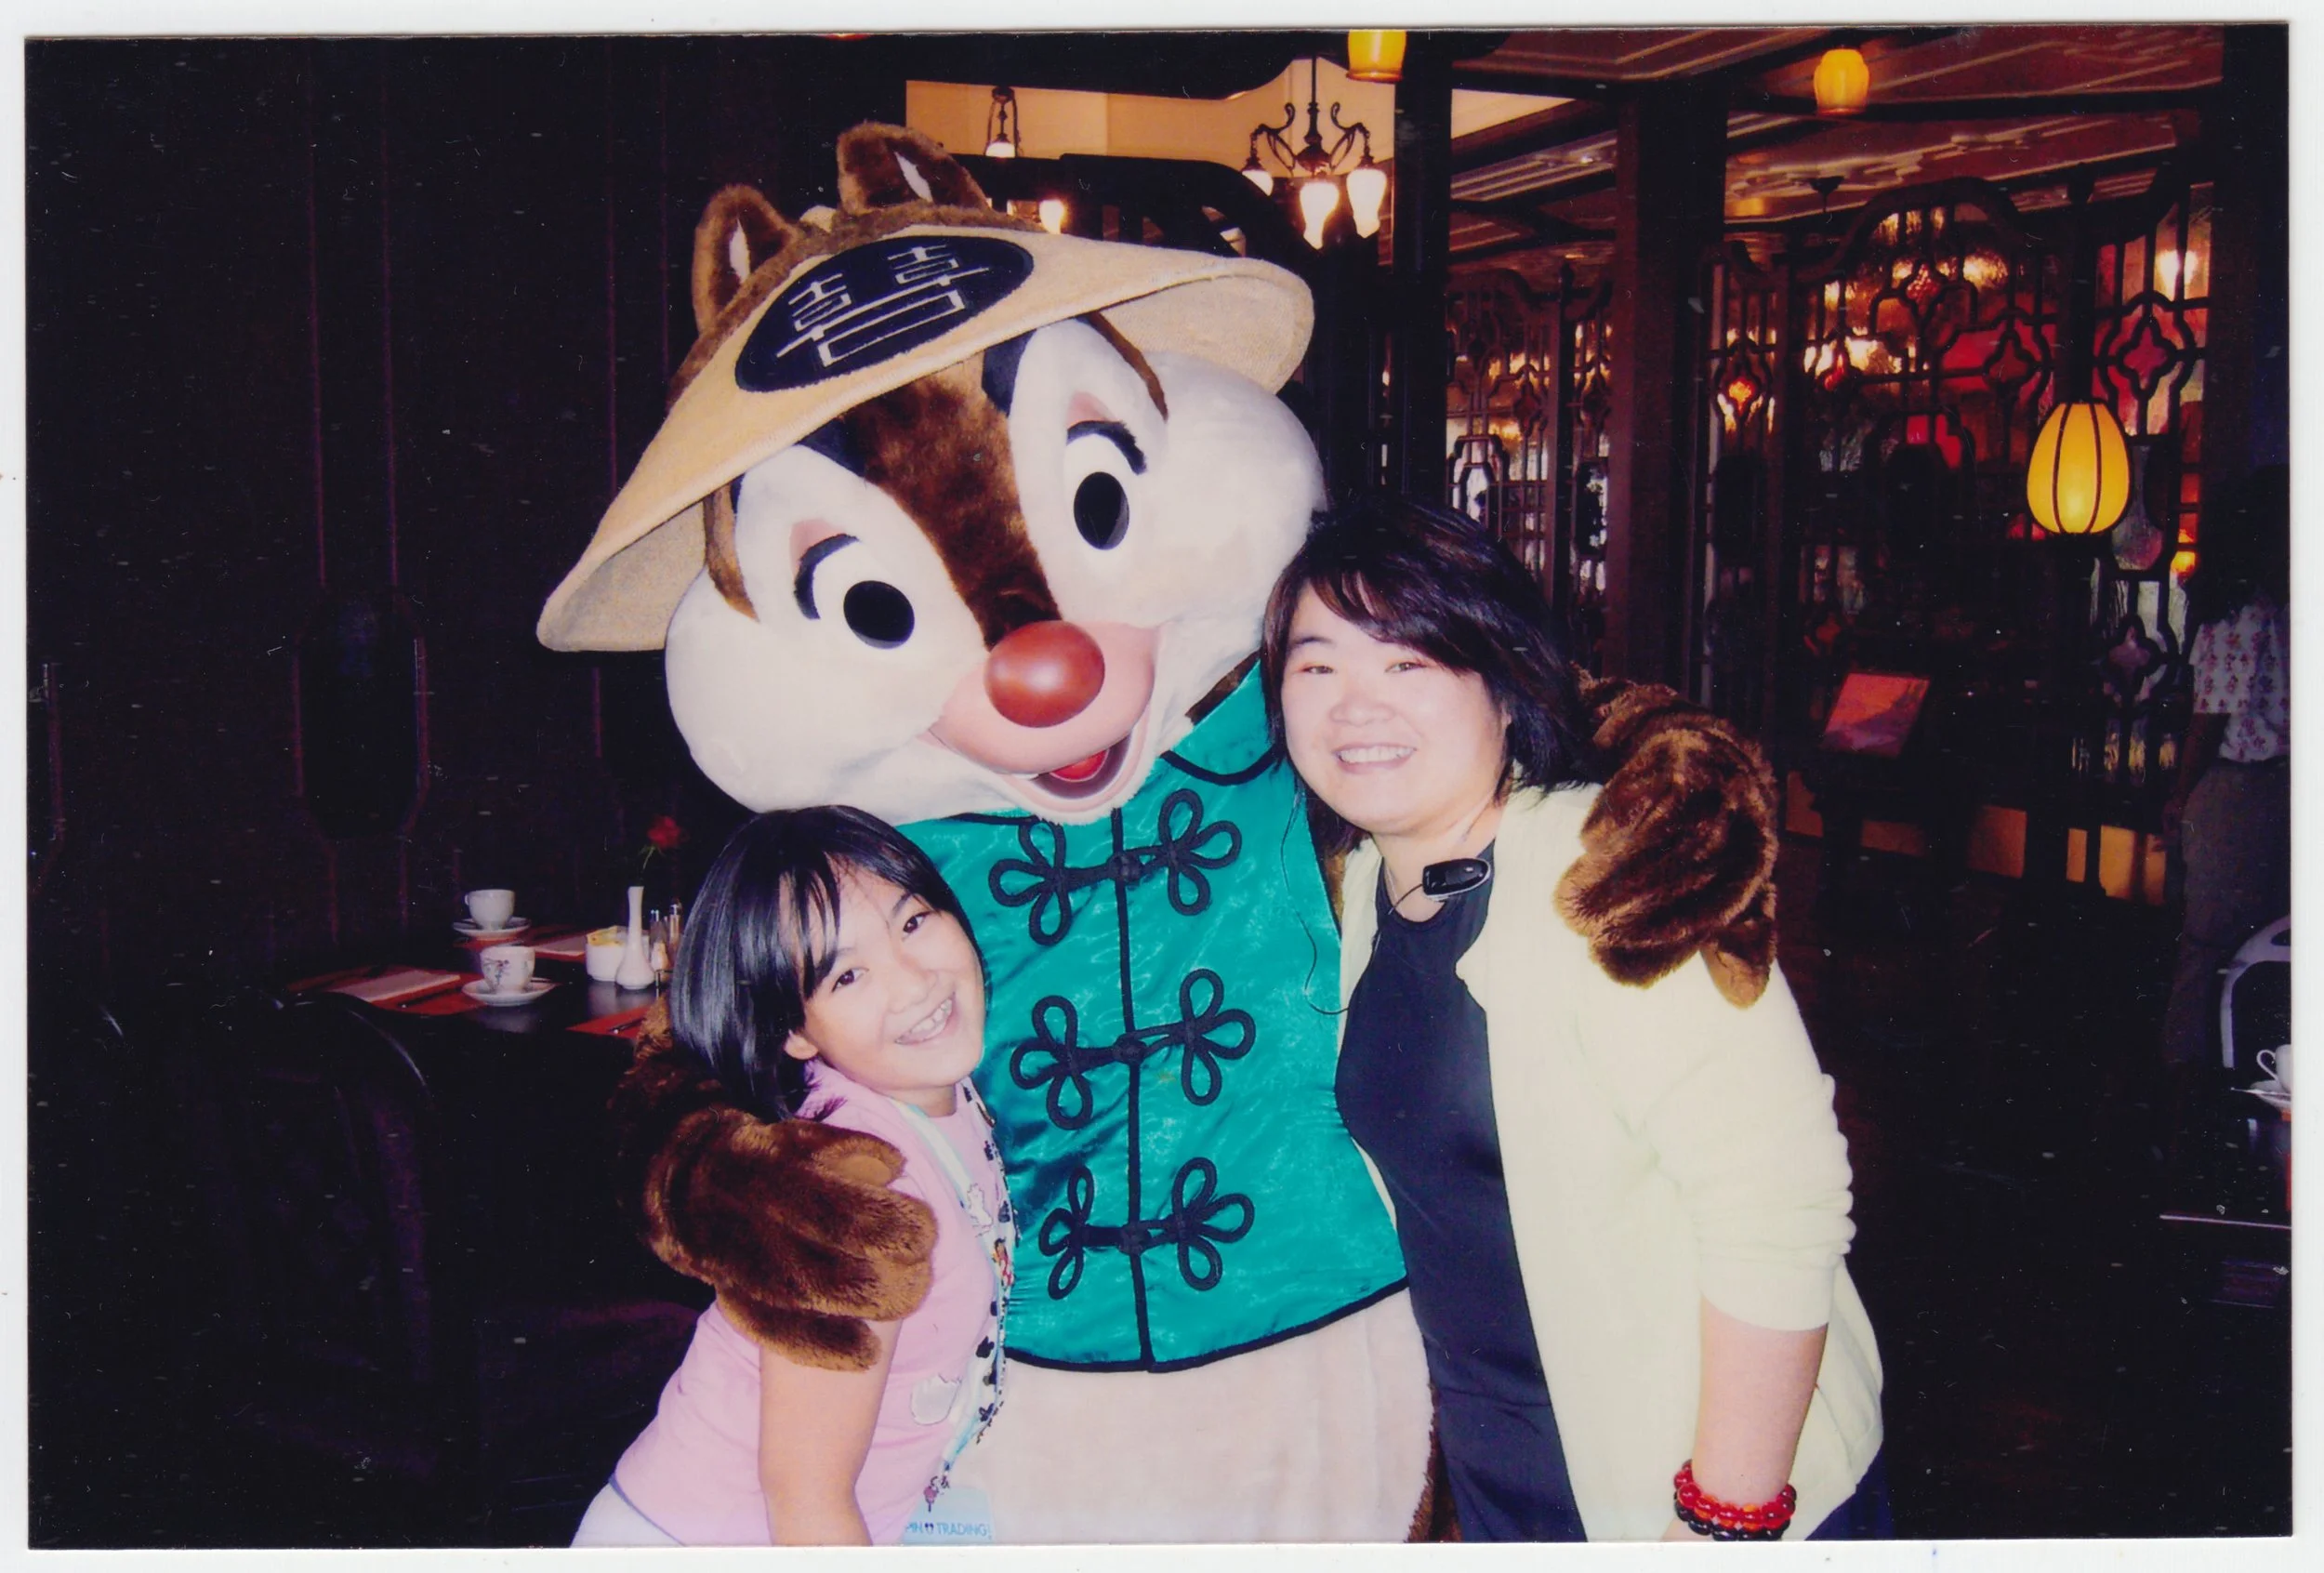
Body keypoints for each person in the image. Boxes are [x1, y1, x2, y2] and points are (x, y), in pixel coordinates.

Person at [1257, 495, 1885, 1541]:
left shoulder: (1610, 876)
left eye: (1409, 663)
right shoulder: (1364, 887)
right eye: (1318, 666)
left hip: (1698, 1488)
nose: (1355, 706)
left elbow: (1780, 1204)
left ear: (1504, 688)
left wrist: (1728, 1515)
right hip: (1509, 1477)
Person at [572, 807, 1015, 1546]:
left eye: (912, 923)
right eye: (847, 974)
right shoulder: (848, 1201)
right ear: (796, 1030)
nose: (913, 984)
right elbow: (807, 1500)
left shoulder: (933, 1085)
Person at [2160, 465, 2291, 1072]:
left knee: (2216, 948)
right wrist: (2183, 795)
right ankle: (2201, 1083)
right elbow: (2213, 715)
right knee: (2228, 946)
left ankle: (2195, 1086)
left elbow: (2210, 715)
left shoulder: (2250, 609)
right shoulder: (2257, 609)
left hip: (2248, 789)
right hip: (2254, 788)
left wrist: (2180, 796)